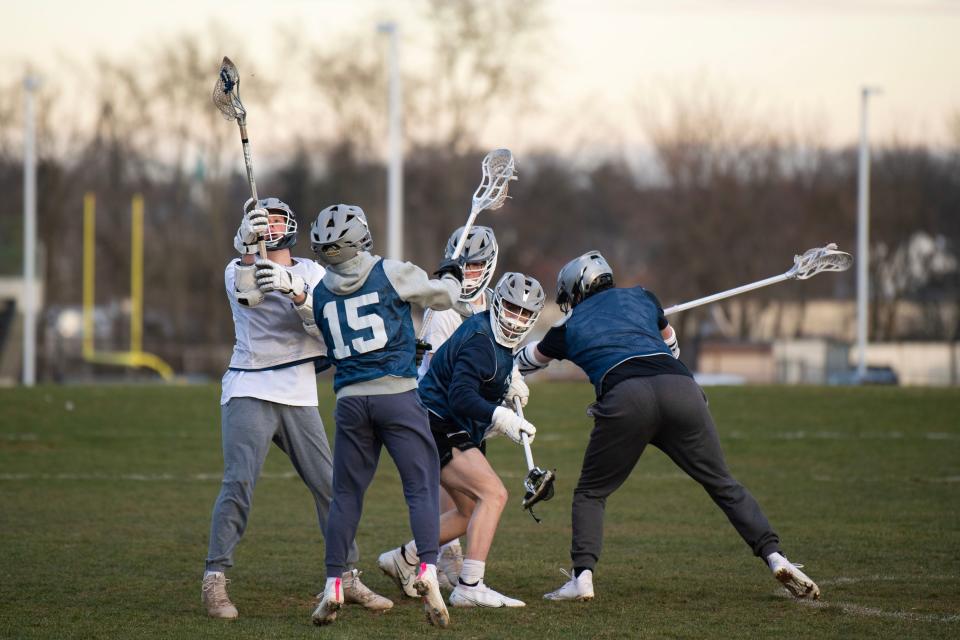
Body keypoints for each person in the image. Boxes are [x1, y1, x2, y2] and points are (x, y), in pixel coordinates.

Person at [515, 250, 821, 602]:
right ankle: (775, 556)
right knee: (723, 484)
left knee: (591, 493)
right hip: (680, 389)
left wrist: (503, 360)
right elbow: (671, 344)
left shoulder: (566, 328)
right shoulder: (643, 297)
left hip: (625, 397)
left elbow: (527, 361)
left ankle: (582, 577)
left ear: (578, 291)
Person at [255, 203, 469, 627]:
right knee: (420, 487)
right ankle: (426, 568)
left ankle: (335, 580)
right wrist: (452, 274)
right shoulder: (388, 270)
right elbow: (447, 297)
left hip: (351, 402)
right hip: (398, 395)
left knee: (347, 495)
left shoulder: (320, 293)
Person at [201, 198, 390, 620]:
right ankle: (214, 579)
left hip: (299, 392)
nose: (268, 227)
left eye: (273, 221)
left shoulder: (313, 272)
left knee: (331, 486)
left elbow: (323, 322)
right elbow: (248, 296)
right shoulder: (237, 267)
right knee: (239, 485)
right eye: (259, 223)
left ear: (288, 227)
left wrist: (295, 289)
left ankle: (348, 575)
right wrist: (251, 254)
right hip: (250, 386)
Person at [380, 272, 543, 609]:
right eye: (512, 309)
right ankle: (470, 584)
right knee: (494, 494)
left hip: (437, 422)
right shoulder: (482, 341)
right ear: (497, 303)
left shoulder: (493, 336)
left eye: (525, 314)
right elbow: (461, 398)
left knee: (469, 512)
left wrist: (507, 385)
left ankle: (403, 558)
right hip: (436, 423)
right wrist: (502, 416)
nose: (516, 320)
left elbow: (481, 379)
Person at [400, 225, 500, 592]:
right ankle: (440, 555)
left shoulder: (492, 302)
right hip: (442, 407)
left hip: (473, 410)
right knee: (456, 492)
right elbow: (444, 368)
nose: (470, 274)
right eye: (465, 267)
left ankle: (418, 557)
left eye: (477, 267)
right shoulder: (443, 309)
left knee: (469, 497)